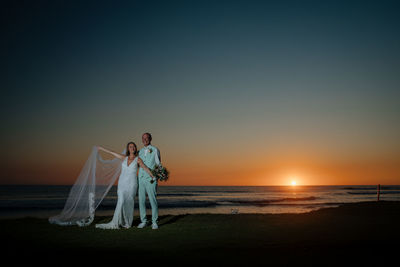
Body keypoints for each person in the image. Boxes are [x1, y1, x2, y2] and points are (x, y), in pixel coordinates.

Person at [95, 142, 153, 229]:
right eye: (130, 147)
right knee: (121, 201)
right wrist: (101, 148)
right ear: (128, 149)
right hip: (122, 183)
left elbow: (145, 168)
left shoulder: (138, 159)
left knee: (129, 203)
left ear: (135, 148)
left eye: (133, 147)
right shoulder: (124, 158)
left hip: (132, 184)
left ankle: (127, 223)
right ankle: (116, 222)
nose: (132, 148)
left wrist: (153, 175)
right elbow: (112, 152)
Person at [137, 133, 161, 230]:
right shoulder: (140, 151)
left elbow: (159, 164)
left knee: (152, 200)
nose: (145, 140)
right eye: (143, 138)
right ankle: (144, 221)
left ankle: (154, 222)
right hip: (141, 178)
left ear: (150, 138)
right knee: (141, 201)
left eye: (146, 138)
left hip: (151, 179)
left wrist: (157, 177)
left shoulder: (155, 150)